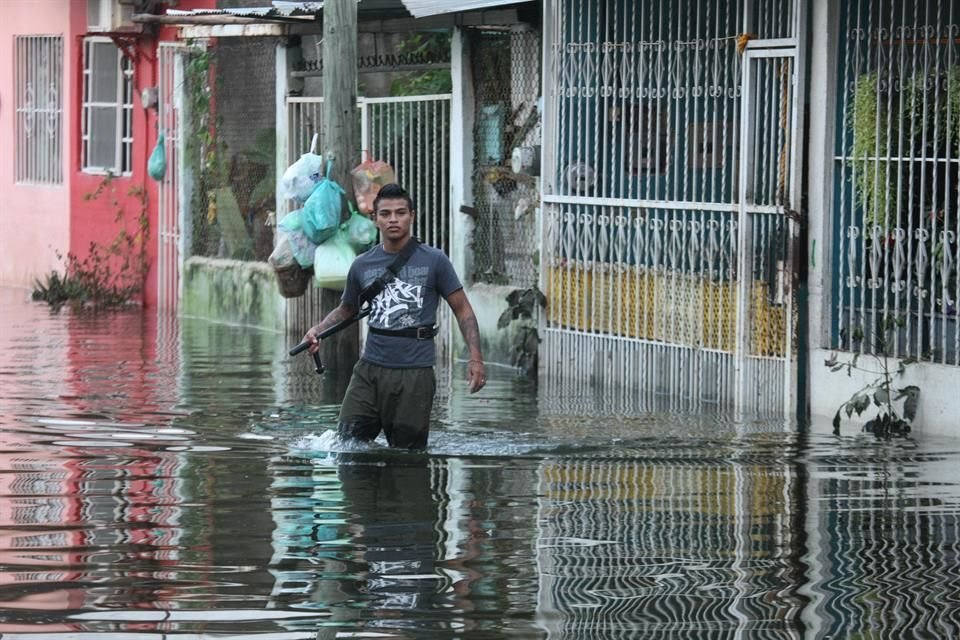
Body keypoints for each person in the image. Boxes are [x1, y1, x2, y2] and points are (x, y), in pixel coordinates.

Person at [302, 183, 486, 449]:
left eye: (400, 213)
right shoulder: (362, 265)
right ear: (375, 219)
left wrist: (476, 358)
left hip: (414, 373)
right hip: (369, 369)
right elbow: (347, 309)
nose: (393, 219)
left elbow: (462, 309)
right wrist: (317, 330)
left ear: (412, 215)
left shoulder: (434, 260)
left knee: (407, 457)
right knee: (346, 445)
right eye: (386, 214)